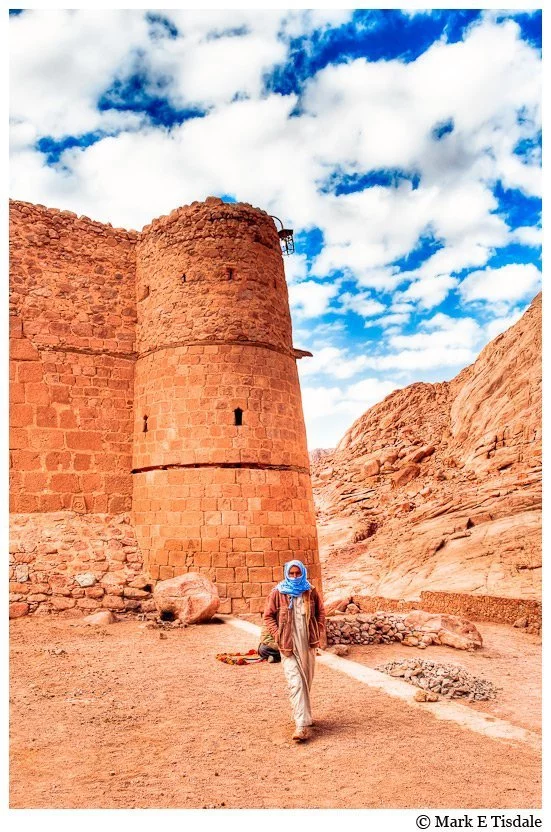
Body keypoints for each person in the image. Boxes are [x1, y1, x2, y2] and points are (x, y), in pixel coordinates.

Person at [263, 560, 326, 742]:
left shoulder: (310, 591)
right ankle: (301, 725)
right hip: (288, 646)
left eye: (298, 573)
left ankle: (305, 716)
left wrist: (318, 628)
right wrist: (278, 634)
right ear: (286, 574)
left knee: (306, 680)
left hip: (307, 644)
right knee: (295, 682)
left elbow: (320, 611)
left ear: (303, 573)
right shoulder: (278, 592)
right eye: (292, 573)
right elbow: (268, 616)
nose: (295, 577)